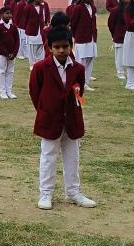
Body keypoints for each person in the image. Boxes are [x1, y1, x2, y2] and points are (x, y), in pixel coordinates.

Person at [29, 27, 96, 210]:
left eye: (65, 46)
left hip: (72, 119)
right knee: (48, 157)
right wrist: (45, 110)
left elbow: (79, 92)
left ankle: (73, 192)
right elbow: (35, 93)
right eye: (56, 47)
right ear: (49, 47)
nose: (61, 50)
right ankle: (46, 193)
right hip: (50, 119)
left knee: (73, 156)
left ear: (71, 46)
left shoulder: (78, 68)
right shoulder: (40, 68)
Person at [69, 0, 98, 91]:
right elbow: (73, 23)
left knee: (90, 59)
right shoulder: (78, 8)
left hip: (92, 38)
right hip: (81, 38)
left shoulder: (93, 8)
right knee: (81, 61)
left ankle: (85, 83)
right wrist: (76, 35)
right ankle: (78, 83)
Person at [0, 6, 19, 100]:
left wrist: (14, 53)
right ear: (1, 15)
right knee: (1, 72)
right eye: (7, 13)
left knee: (10, 72)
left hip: (12, 54)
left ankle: (9, 91)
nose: (9, 15)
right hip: (2, 54)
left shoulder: (13, 26)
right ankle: (3, 92)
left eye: (10, 13)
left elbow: (17, 40)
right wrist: (6, 53)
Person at [23, 0, 49, 66]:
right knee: (32, 50)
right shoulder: (28, 7)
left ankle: (40, 64)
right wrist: (27, 28)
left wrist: (46, 24)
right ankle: (32, 65)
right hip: (31, 31)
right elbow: (25, 19)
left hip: (41, 31)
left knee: (41, 48)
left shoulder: (42, 7)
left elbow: (45, 17)